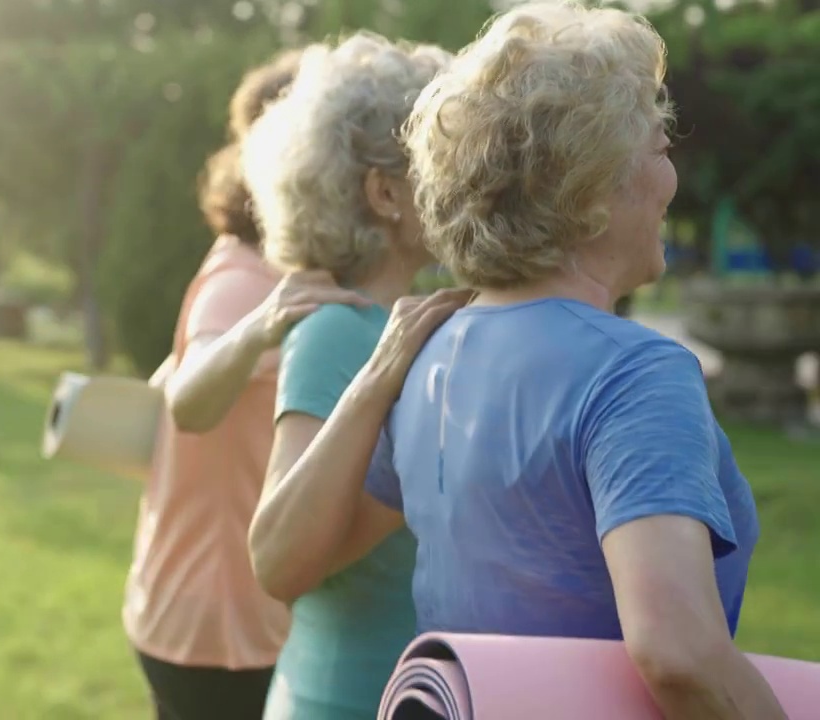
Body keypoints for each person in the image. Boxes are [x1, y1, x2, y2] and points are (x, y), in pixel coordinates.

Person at [255, 4, 788, 719]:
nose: (672, 181)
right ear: (593, 188)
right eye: (661, 149)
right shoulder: (636, 373)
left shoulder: (429, 354)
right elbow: (678, 652)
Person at [126, 49, 369, 720]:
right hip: (217, 628)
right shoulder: (245, 278)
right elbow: (188, 401)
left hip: (215, 611)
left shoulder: (272, 271)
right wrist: (259, 328)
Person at [240, 33, 452, 720]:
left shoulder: (423, 322)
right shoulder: (339, 330)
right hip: (343, 699)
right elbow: (284, 562)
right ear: (386, 192)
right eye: (440, 162)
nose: (464, 181)